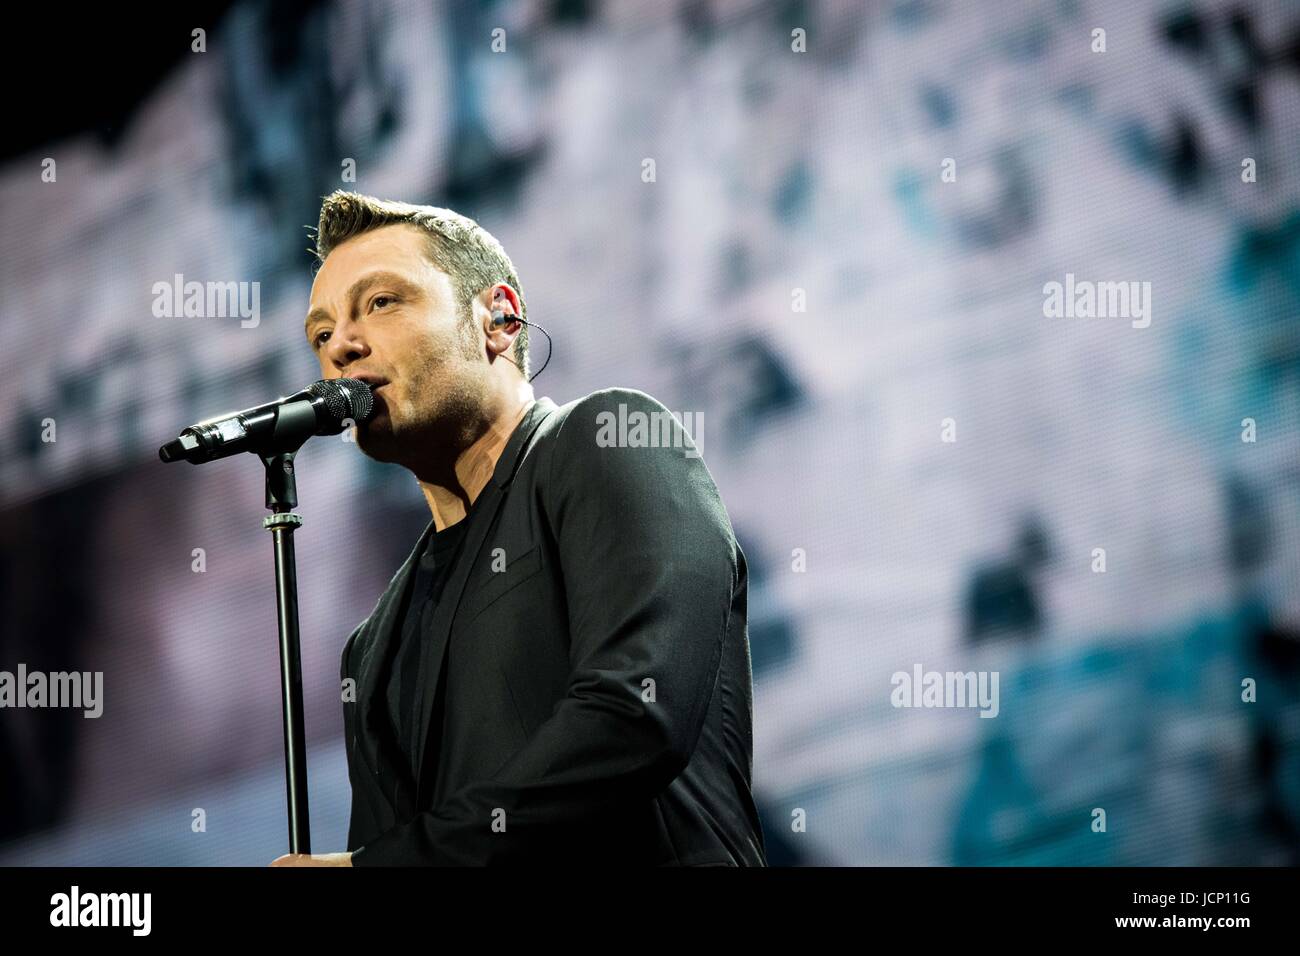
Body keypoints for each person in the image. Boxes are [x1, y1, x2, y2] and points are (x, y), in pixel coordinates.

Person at [270, 191, 766, 866]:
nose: (342, 346)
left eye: (381, 302)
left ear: (498, 319)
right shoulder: (374, 647)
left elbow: (632, 716)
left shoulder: (606, 442)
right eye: (321, 334)